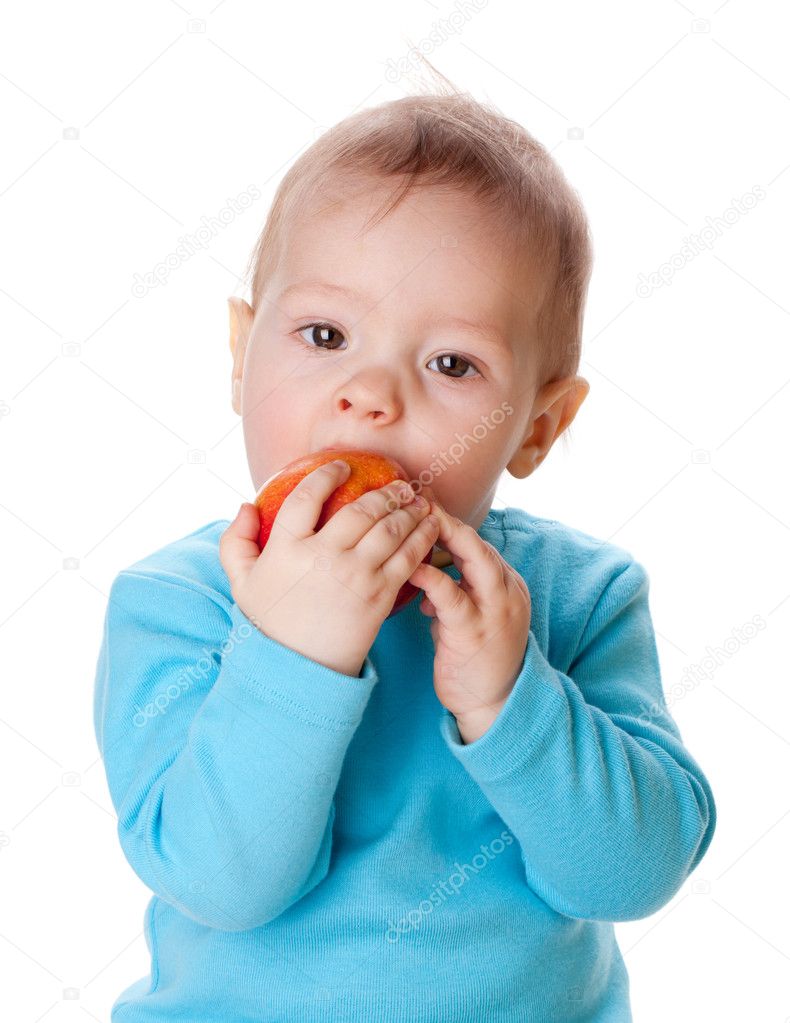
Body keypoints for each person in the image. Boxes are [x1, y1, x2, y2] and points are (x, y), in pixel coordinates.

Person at [93, 75, 716, 1022]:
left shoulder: (578, 597)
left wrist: (513, 701)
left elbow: (633, 873)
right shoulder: (179, 602)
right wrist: (292, 657)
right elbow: (220, 882)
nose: (371, 395)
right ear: (240, 354)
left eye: (452, 364)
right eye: (325, 334)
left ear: (540, 427)